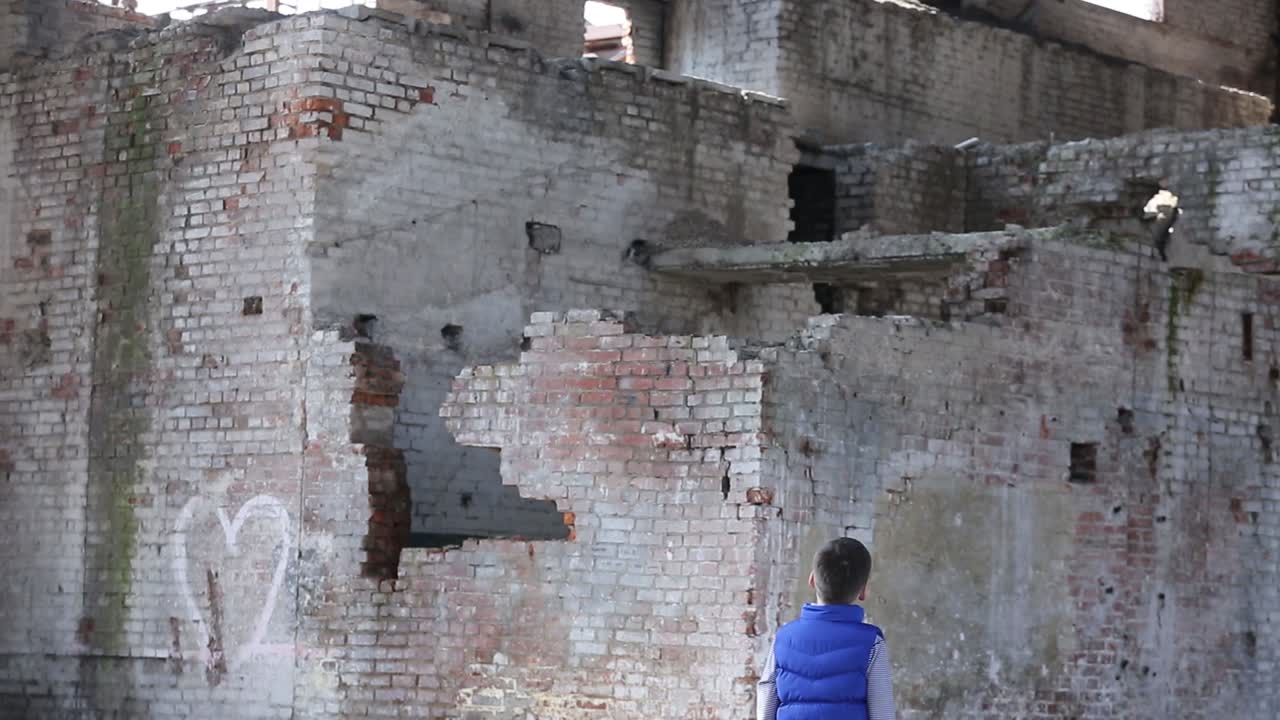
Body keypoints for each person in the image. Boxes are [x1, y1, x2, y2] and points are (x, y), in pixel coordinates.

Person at [756, 537, 896, 720]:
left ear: (812, 580)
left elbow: (766, 704)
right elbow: (882, 713)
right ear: (863, 591)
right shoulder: (872, 644)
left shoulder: (783, 638)